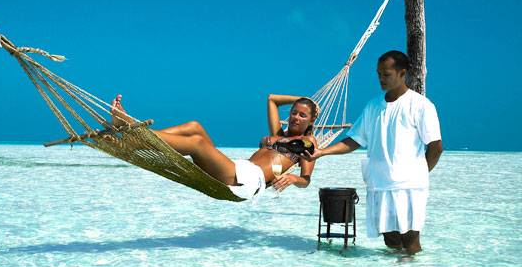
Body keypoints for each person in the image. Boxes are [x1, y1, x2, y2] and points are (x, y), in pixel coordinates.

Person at [305, 50, 443, 254]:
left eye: (386, 74)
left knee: (410, 240)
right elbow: (355, 140)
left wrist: (418, 175)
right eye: (379, 74)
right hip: (379, 184)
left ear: (402, 73)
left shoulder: (421, 105)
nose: (381, 79)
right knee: (390, 240)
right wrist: (322, 152)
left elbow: (436, 147)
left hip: (409, 186)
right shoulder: (373, 106)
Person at [111, 94, 318, 200]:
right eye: (294, 112)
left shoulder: (308, 142)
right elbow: (272, 99)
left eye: (302, 115)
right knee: (195, 126)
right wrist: (307, 100)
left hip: (248, 181)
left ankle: (131, 127)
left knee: (197, 143)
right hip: (239, 168)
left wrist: (294, 178)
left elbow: (306, 180)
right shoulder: (278, 134)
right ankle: (134, 140)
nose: (295, 117)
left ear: (311, 120)